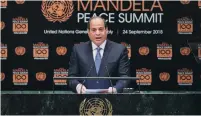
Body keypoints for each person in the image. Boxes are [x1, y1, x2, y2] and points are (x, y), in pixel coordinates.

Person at [68, 16, 130, 94]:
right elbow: (71, 77)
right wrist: (77, 86)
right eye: (94, 30)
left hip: (113, 100)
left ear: (106, 30)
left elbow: (125, 77)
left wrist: (115, 89)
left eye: (101, 29)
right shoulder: (78, 50)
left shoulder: (119, 50)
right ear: (88, 32)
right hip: (84, 101)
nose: (97, 33)